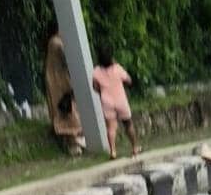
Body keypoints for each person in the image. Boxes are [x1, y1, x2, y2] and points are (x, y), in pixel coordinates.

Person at [91, 46, 139, 160]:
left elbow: (95, 87)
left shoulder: (96, 71)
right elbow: (129, 80)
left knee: (111, 127)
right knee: (128, 124)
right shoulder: (117, 68)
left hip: (107, 101)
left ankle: (113, 151)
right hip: (120, 99)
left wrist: (102, 92)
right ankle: (135, 148)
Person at [43, 26, 85, 156]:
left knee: (66, 108)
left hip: (59, 78)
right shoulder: (57, 42)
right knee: (67, 109)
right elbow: (68, 57)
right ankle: (72, 139)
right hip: (59, 80)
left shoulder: (55, 41)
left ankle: (72, 138)